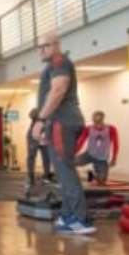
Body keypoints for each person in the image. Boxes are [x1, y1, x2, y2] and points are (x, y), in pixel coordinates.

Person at [31, 33, 94, 235]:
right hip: (57, 123)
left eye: (45, 46)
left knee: (65, 171)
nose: (41, 50)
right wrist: (46, 124)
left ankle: (79, 219)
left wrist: (40, 121)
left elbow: (58, 90)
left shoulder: (59, 61)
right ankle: (69, 215)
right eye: (38, 47)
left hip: (62, 123)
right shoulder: (52, 65)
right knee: (62, 171)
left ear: (57, 45)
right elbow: (53, 92)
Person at [75, 110, 119, 186]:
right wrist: (74, 153)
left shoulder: (111, 129)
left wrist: (114, 158)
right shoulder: (88, 128)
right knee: (69, 162)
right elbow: (81, 142)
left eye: (99, 122)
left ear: (103, 119)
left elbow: (116, 144)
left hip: (102, 159)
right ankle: (75, 178)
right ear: (93, 120)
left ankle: (93, 175)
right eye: (95, 122)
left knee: (102, 182)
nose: (97, 124)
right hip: (88, 155)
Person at [26, 108, 53, 187]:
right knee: (31, 157)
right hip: (33, 138)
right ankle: (31, 178)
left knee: (46, 158)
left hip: (44, 137)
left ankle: (47, 176)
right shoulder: (38, 109)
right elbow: (31, 114)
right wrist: (38, 116)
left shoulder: (49, 112)